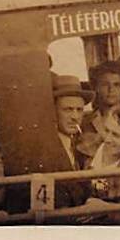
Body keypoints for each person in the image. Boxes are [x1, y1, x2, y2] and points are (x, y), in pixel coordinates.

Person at [51, 74, 94, 210]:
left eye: (79, 110)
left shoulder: (83, 143)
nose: (75, 117)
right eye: (68, 110)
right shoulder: (47, 147)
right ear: (53, 111)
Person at [82, 61, 120, 141]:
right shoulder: (85, 122)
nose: (111, 89)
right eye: (105, 84)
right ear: (96, 87)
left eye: (116, 85)